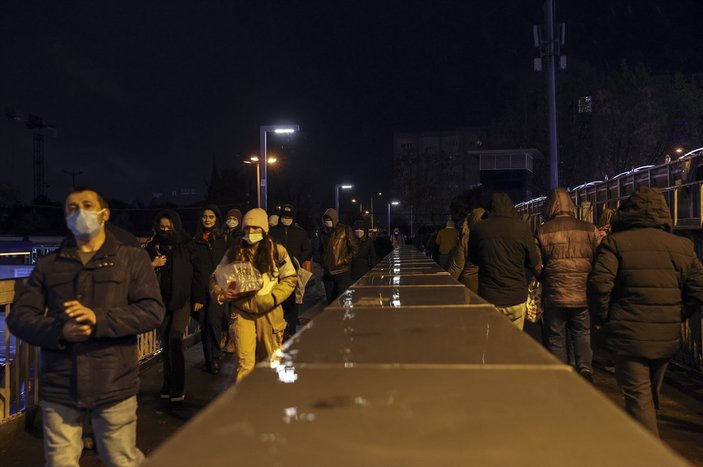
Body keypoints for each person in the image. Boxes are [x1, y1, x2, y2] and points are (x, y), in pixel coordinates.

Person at [7, 187, 164, 466]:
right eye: (71, 207)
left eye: (87, 205)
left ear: (104, 214)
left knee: (120, 458)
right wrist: (59, 331)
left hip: (114, 381)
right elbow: (20, 317)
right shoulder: (49, 265)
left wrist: (98, 319)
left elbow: (152, 311)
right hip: (60, 383)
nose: (79, 212)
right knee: (60, 461)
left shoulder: (131, 259)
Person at [587, 186, 703, 436]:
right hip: (666, 337)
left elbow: (599, 285)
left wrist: (604, 319)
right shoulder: (683, 247)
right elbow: (698, 289)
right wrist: (678, 314)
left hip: (627, 335)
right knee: (648, 395)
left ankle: (647, 454)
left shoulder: (615, 244)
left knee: (638, 397)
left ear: (629, 212)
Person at [210, 208, 297, 383]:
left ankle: (270, 403)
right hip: (241, 312)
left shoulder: (277, 251)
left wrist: (272, 298)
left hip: (270, 313)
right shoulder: (234, 251)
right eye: (247, 228)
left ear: (264, 229)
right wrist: (221, 294)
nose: (251, 232)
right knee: (244, 364)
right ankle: (245, 406)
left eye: (256, 228)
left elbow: (290, 278)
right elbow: (216, 277)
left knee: (272, 362)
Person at [536, 187, 600, 382]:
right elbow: (599, 260)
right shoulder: (590, 229)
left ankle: (560, 373)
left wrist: (546, 277)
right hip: (582, 292)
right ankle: (585, 368)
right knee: (582, 332)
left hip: (554, 294)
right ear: (571, 205)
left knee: (556, 335)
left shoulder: (543, 230)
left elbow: (537, 264)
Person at [469, 192, 542, 330]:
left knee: (492, 341)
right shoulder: (521, 228)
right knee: (515, 342)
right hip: (516, 297)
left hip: (489, 296)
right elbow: (533, 261)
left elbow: (473, 259)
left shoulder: (479, 229)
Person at [145, 209, 196, 401]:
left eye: (169, 226)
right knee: (165, 343)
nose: (165, 230)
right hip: (160, 301)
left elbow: (196, 272)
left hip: (182, 300)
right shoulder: (152, 247)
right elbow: (139, 272)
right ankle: (167, 384)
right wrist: (153, 264)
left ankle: (178, 387)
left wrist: (198, 298)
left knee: (175, 339)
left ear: (175, 225)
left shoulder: (186, 245)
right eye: (162, 226)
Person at [192, 205, 228, 374]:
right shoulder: (196, 240)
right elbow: (193, 270)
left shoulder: (222, 239)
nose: (207, 219)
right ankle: (208, 359)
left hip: (218, 289)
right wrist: (197, 296)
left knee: (214, 322)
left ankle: (215, 356)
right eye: (205, 216)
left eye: (211, 217)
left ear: (216, 219)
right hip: (201, 290)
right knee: (204, 325)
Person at [269, 203, 313, 339]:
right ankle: (279, 329)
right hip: (276, 272)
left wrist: (297, 259)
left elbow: (308, 249)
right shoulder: (273, 232)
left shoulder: (300, 232)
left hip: (293, 272)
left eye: (289, 217)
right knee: (277, 300)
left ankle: (291, 329)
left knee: (293, 301)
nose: (286, 219)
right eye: (284, 216)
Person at [317, 208, 359, 304]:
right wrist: (322, 261)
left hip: (342, 272)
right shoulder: (322, 232)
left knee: (342, 300)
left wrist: (345, 261)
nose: (327, 222)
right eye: (325, 219)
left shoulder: (345, 229)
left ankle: (341, 319)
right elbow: (320, 249)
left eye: (329, 219)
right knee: (330, 302)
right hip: (328, 273)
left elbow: (355, 248)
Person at [447, 208, 485, 293]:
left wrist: (448, 286)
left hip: (470, 284)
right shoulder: (492, 237)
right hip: (489, 284)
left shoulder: (466, 238)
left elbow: (457, 266)